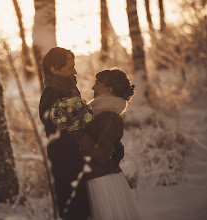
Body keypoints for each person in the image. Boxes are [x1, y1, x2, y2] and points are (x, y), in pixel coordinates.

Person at [39, 48, 124, 219]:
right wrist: (108, 151)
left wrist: (113, 146)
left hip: (79, 169)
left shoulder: (68, 92)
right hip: (69, 171)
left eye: (74, 66)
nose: (75, 71)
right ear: (54, 70)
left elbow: (88, 129)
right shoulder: (54, 96)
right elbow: (78, 133)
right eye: (70, 68)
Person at [80, 68, 141, 220]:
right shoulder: (101, 112)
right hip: (98, 177)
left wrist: (78, 134)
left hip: (102, 183)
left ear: (109, 88)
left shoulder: (108, 116)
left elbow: (102, 154)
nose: (93, 87)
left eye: (97, 83)